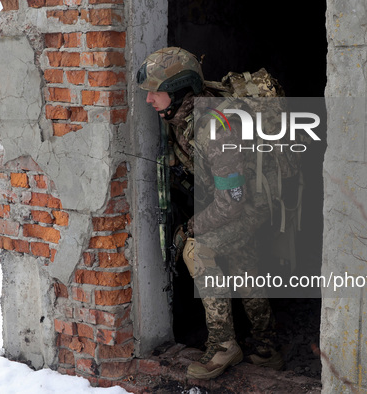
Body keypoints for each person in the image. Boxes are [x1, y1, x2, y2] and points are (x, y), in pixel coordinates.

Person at [136, 47, 283, 380]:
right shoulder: (184, 116)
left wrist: (191, 227)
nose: (149, 101)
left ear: (178, 90)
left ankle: (223, 345)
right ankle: (268, 348)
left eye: (155, 92)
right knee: (245, 266)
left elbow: (232, 199)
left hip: (250, 205)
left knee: (197, 250)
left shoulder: (215, 126)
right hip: (244, 201)